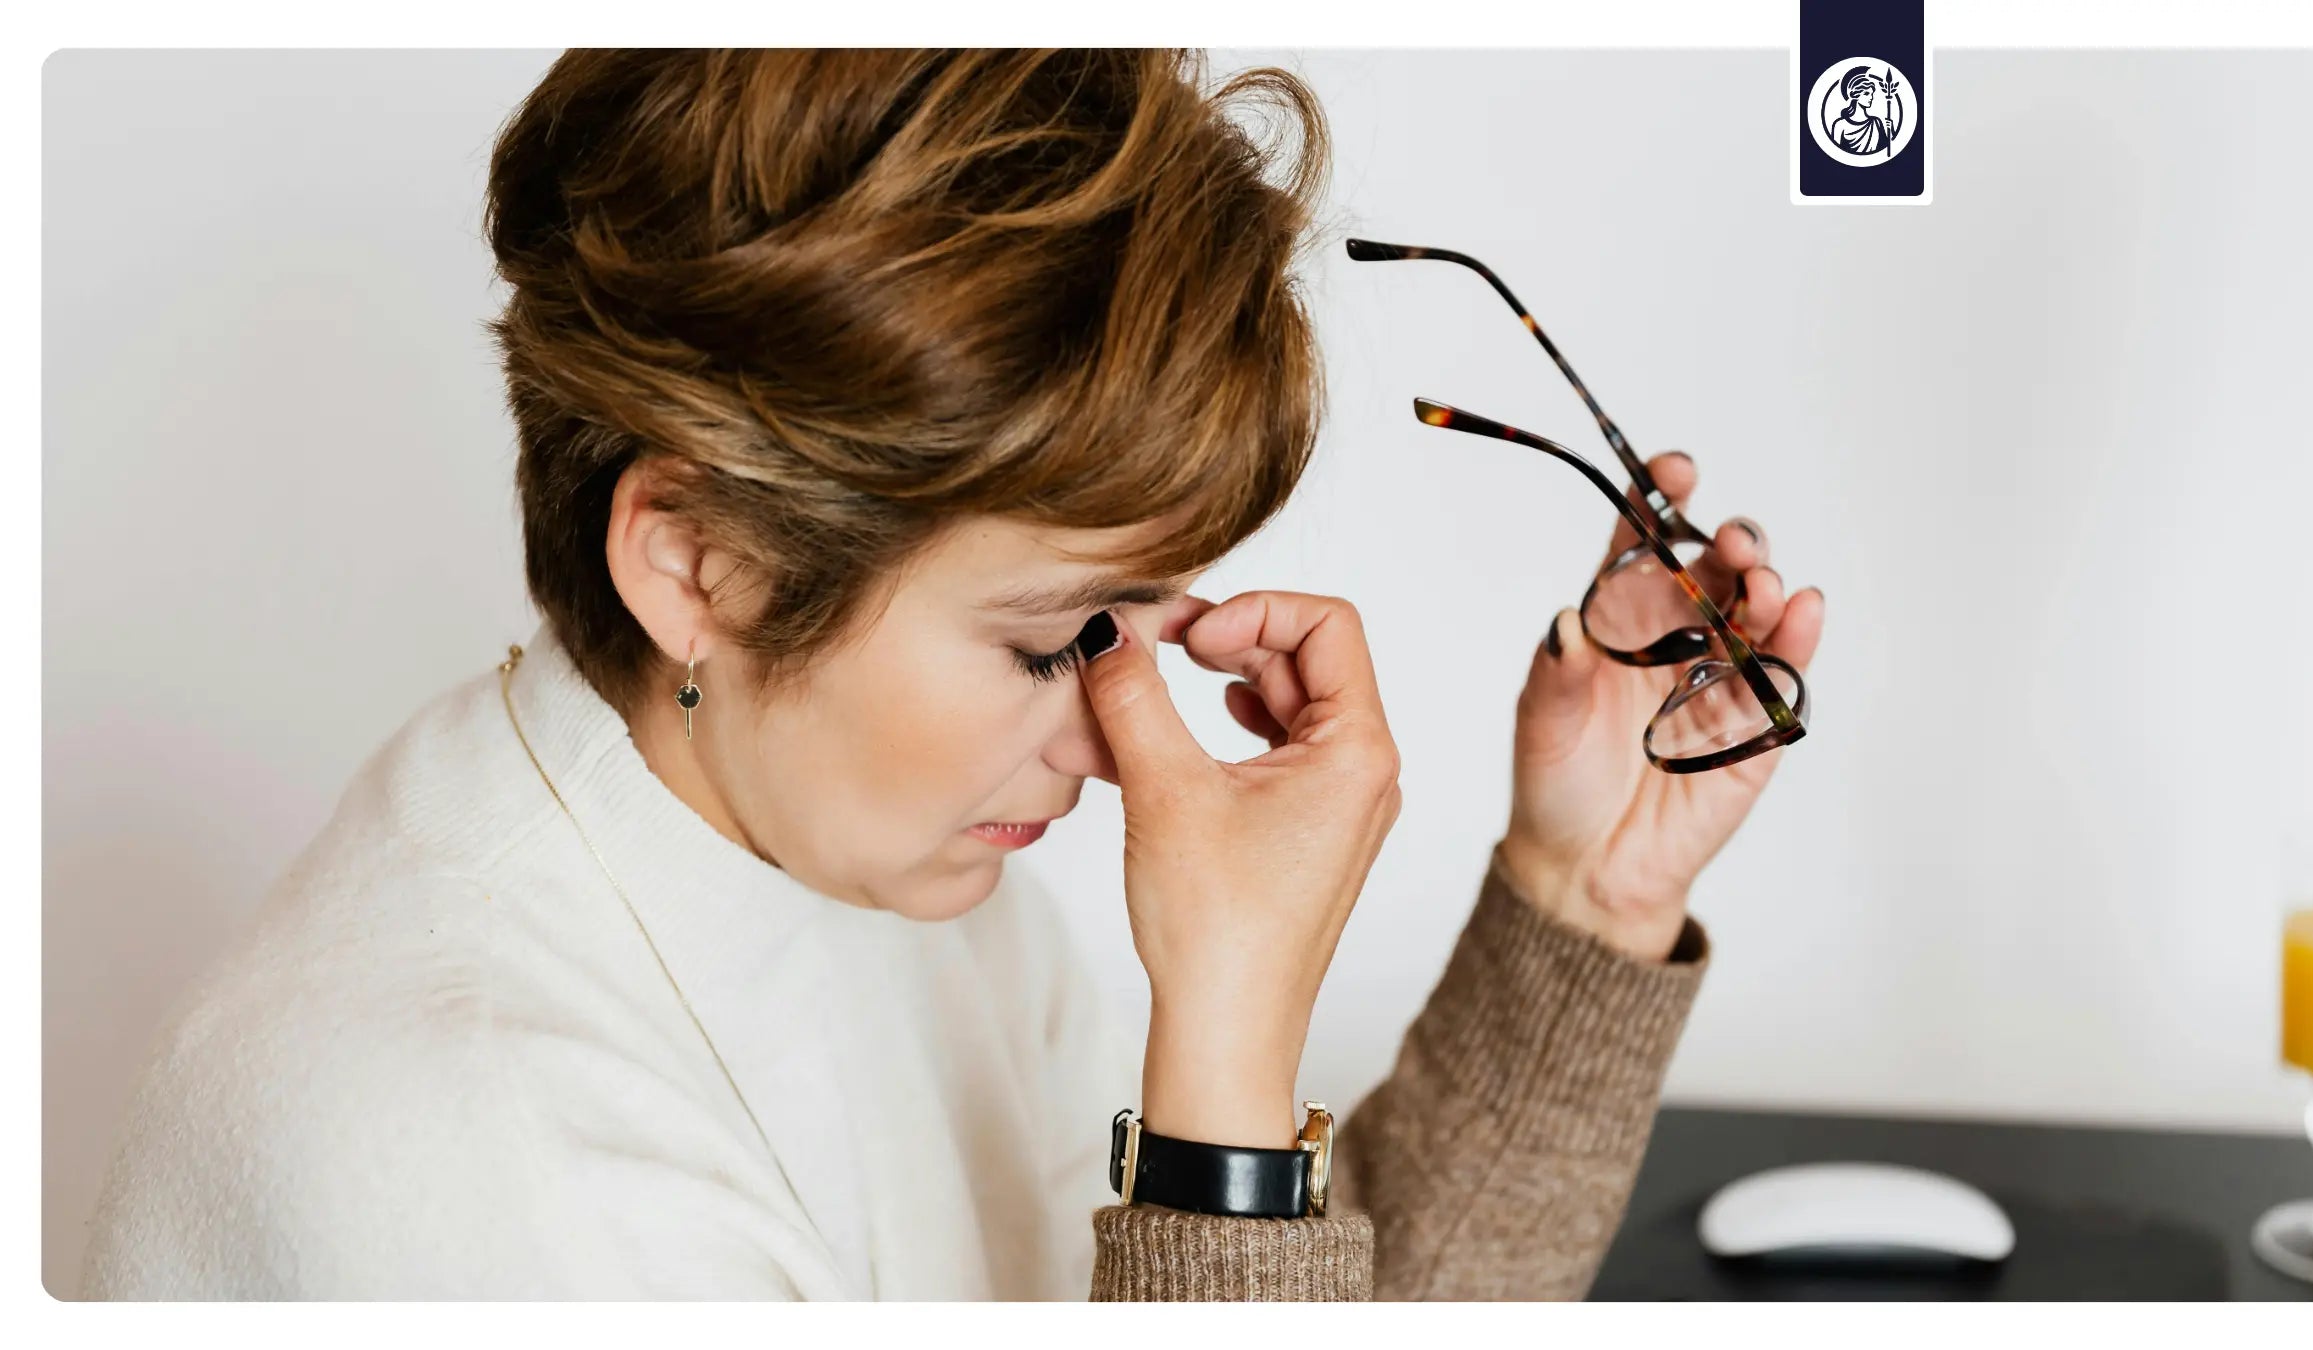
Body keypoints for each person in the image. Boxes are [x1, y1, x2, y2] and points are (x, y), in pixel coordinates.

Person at [79, 48, 1825, 1301]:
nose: (1123, 738)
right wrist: (1221, 1060)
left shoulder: (885, 880)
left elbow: (1265, 1298)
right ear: (699, 563)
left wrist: (1582, 891)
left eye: (1146, 620)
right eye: (1054, 634)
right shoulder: (459, 1166)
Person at [1829, 64, 1898, 157]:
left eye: (1872, 94)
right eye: (1866, 93)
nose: (1871, 97)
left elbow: (1886, 152)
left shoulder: (1876, 122)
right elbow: (1835, 154)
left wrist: (1891, 132)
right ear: (1855, 95)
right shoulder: (1840, 125)